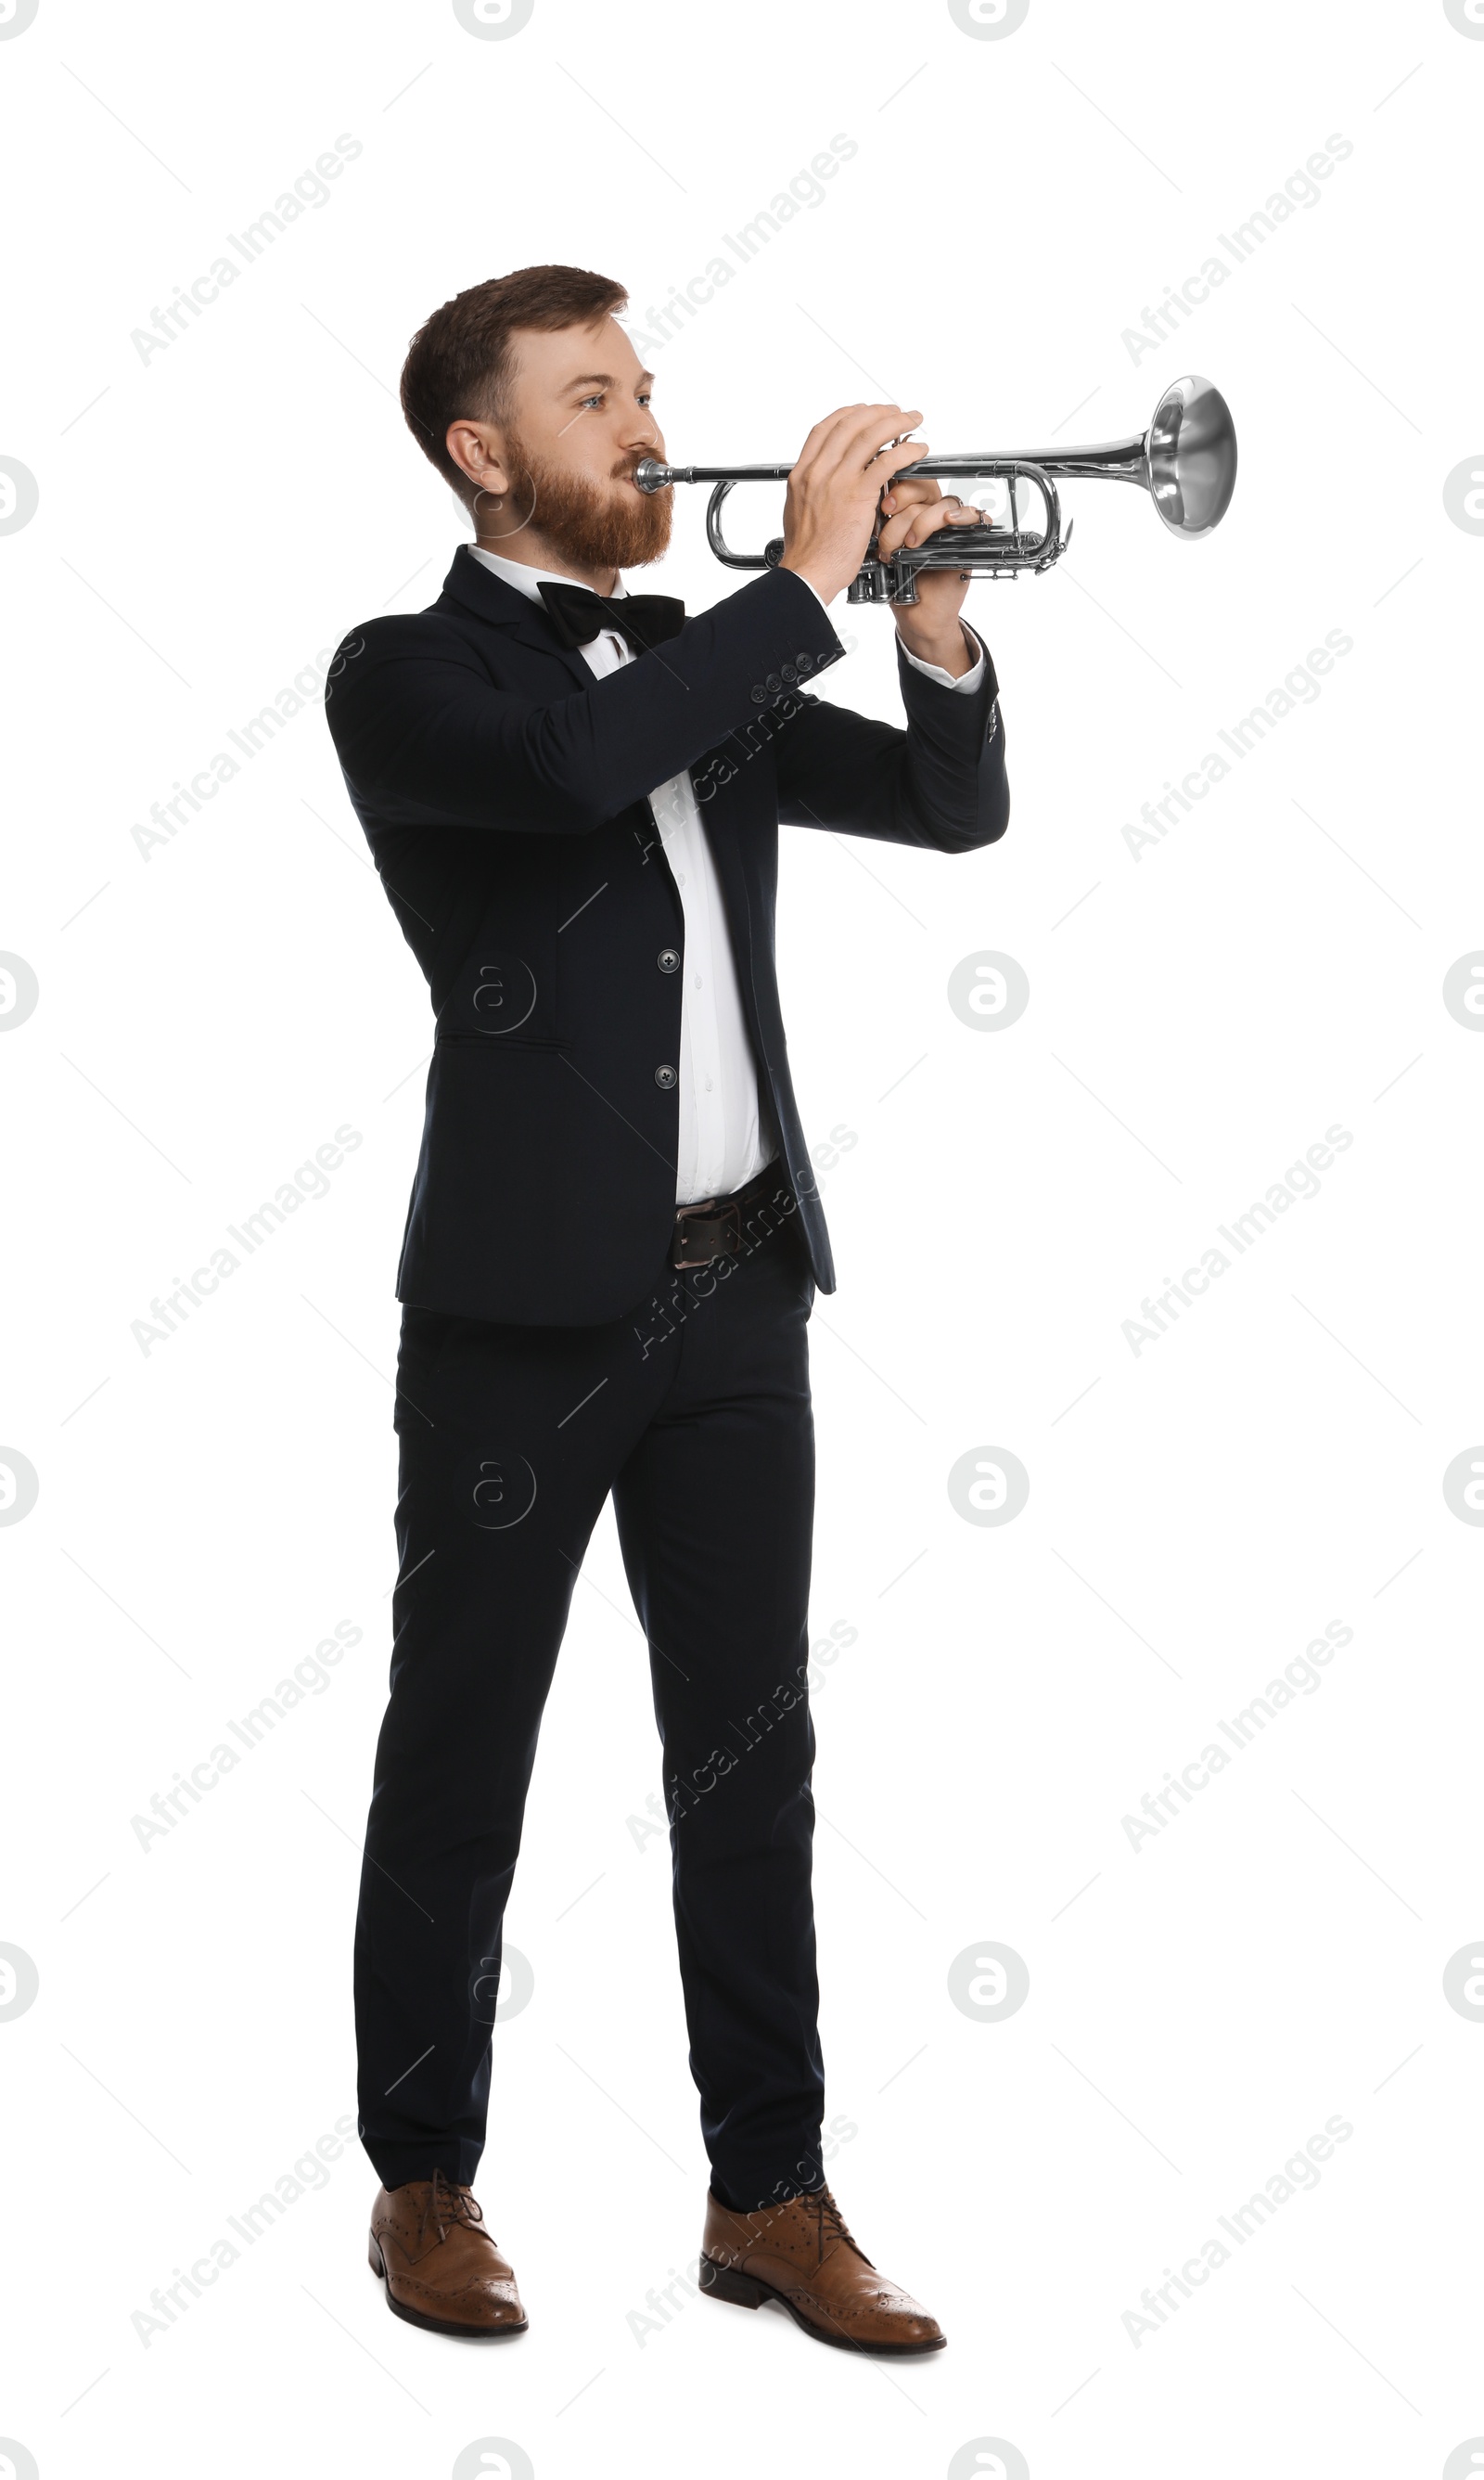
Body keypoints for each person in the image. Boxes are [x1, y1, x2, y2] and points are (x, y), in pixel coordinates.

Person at [324, 262, 1009, 2355]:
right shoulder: (408, 676)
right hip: (518, 1327)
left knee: (746, 1759)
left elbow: (944, 805)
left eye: (646, 385)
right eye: (593, 394)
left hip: (738, 1300)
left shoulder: (686, 663)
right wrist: (800, 579)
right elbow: (569, 769)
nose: (644, 425)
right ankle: (425, 2180)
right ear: (482, 449)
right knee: (463, 1751)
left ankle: (767, 2193)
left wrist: (925, 630)